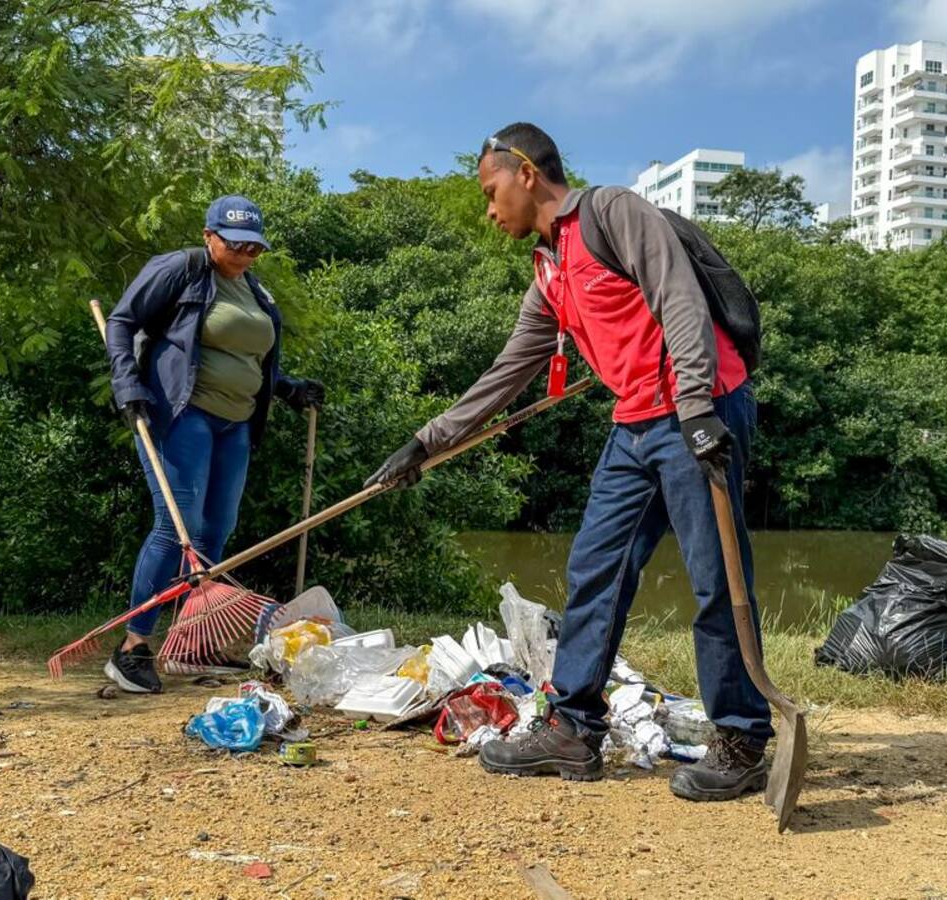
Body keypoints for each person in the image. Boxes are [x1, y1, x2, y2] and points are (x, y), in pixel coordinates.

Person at [365, 123, 772, 802]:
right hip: (636, 423)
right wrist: (425, 441)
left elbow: (679, 295)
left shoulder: (611, 212)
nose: (489, 211)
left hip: (697, 409)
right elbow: (507, 373)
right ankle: (574, 729)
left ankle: (741, 738)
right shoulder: (549, 270)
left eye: (491, 192)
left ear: (526, 173)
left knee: (714, 581)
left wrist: (698, 406)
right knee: (594, 568)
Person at [102, 195, 324, 693]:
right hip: (182, 413)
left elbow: (255, 356)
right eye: (236, 242)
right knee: (174, 528)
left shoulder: (256, 290)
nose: (246, 253)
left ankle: (192, 645)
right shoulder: (182, 269)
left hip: (236, 423)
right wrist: (127, 385)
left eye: (255, 247)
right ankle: (132, 648)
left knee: (214, 534)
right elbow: (122, 321)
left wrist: (287, 387)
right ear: (209, 235)